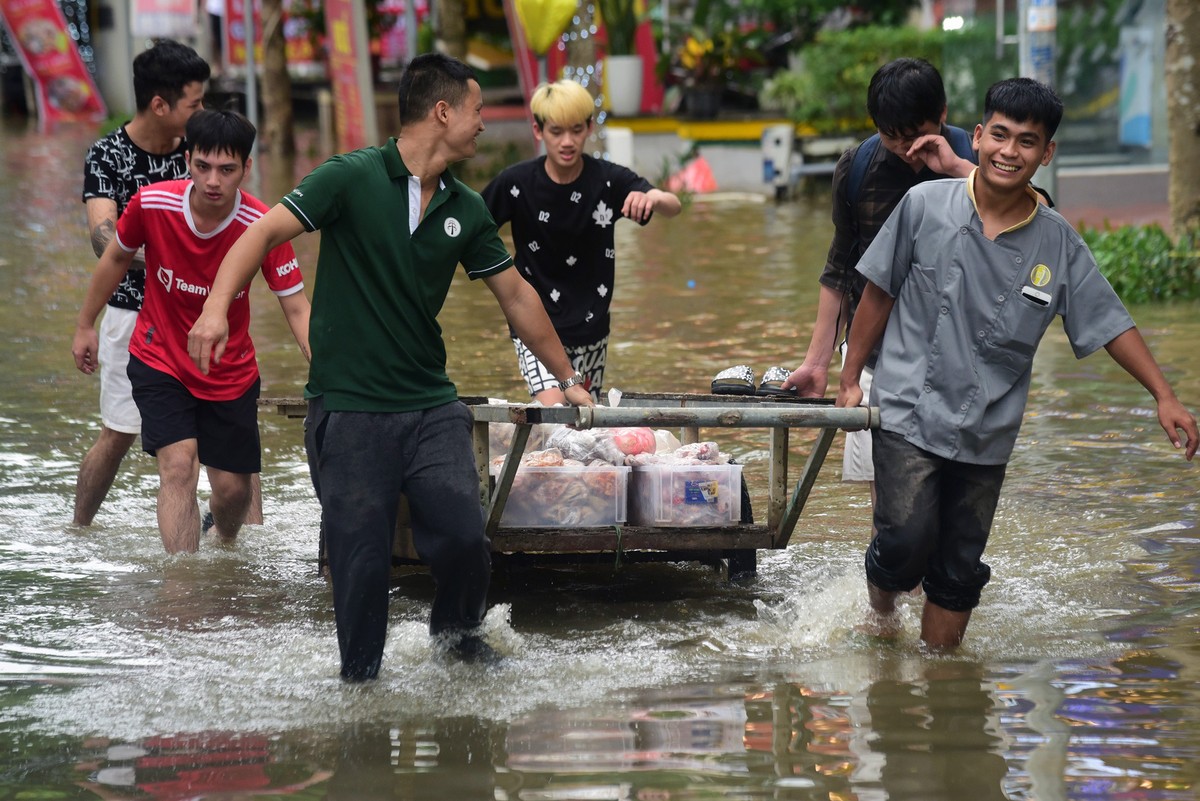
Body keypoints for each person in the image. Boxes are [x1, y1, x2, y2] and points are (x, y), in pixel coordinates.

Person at [186, 53, 594, 680]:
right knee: (362, 560)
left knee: (463, 538)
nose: (484, 124)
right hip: (349, 409)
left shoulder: (466, 207)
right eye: (478, 110)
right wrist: (215, 310)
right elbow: (260, 235)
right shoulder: (349, 177)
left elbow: (515, 294)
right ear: (443, 111)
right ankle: (360, 686)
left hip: (431, 405)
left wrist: (567, 380)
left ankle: (457, 641)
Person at [835, 77, 1197, 651]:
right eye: (999, 135)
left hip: (987, 429)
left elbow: (1109, 322)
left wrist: (1164, 395)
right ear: (977, 137)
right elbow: (876, 292)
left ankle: (939, 698)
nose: (1010, 151)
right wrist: (851, 378)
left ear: (1046, 154)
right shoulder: (924, 205)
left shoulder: (1057, 243)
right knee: (904, 541)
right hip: (908, 406)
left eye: (1027, 142)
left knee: (956, 574)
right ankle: (882, 604)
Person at [72, 109, 311, 554]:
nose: (213, 181)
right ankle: (181, 588)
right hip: (158, 355)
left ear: (247, 168)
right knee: (178, 465)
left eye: (226, 169)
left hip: (229, 371)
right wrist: (87, 323)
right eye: (202, 166)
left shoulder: (264, 225)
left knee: (233, 491)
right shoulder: (152, 203)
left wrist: (326, 366)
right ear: (187, 160)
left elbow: (296, 307)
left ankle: (224, 546)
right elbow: (115, 259)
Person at [782, 58, 977, 506]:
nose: (906, 149)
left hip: (960, 360)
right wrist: (818, 363)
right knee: (890, 510)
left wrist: (958, 170)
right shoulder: (858, 168)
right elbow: (840, 269)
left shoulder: (980, 159)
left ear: (942, 113)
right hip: (876, 361)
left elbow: (1029, 217)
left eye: (915, 136)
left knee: (952, 505)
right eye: (893, 138)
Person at [73, 39, 211, 527]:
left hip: (201, 315)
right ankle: (80, 529)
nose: (202, 112)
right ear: (160, 104)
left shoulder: (201, 153)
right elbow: (101, 236)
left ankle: (233, 546)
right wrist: (165, 255)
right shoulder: (108, 154)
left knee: (222, 439)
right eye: (195, 103)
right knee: (118, 434)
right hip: (133, 316)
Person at [481, 78, 681, 404]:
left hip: (591, 326)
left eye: (576, 130)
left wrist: (654, 198)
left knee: (583, 421)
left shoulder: (607, 180)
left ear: (589, 127)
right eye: (556, 131)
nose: (567, 141)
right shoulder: (515, 183)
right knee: (555, 408)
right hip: (534, 322)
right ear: (538, 130)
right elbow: (472, 225)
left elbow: (674, 206)